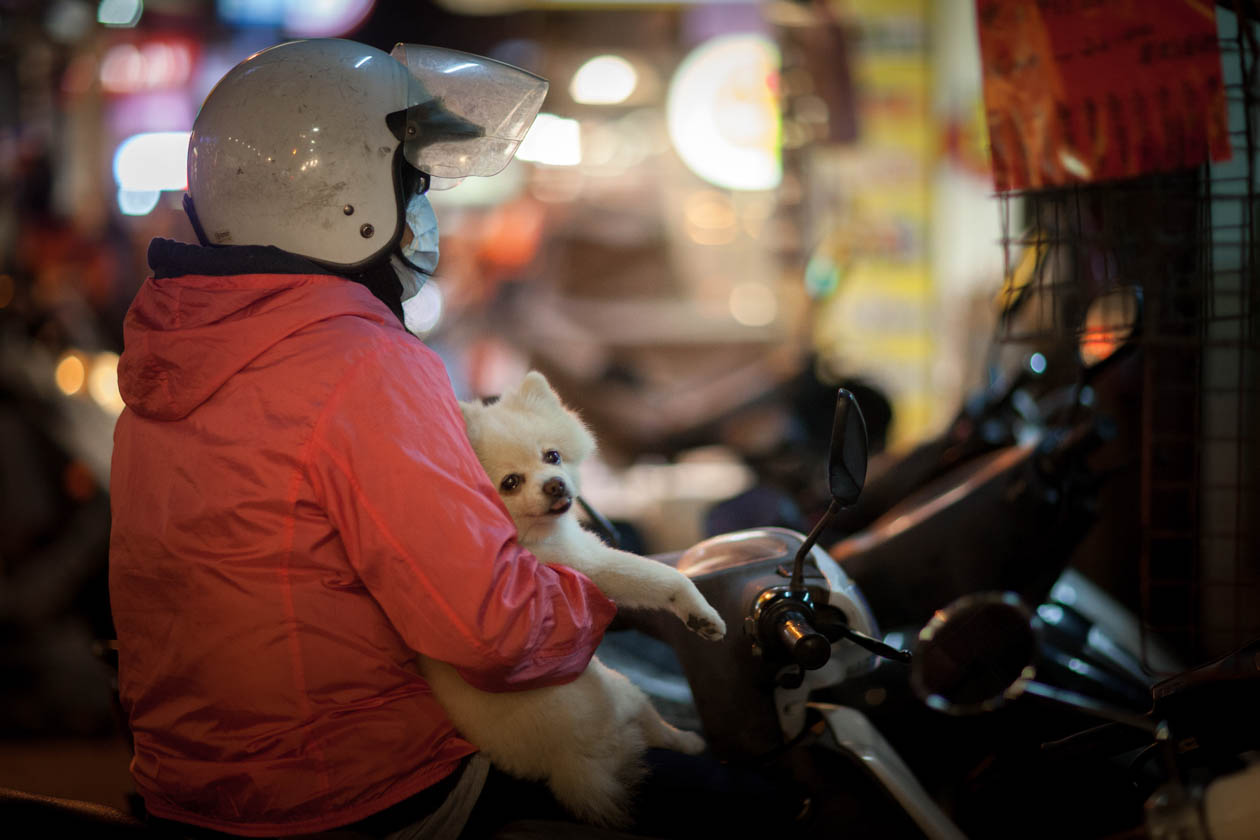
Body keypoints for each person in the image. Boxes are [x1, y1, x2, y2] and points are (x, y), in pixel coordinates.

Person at [108, 39, 619, 838]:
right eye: (413, 186)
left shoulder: (168, 356)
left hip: (192, 789)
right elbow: (490, 630)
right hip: (348, 792)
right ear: (344, 194)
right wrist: (609, 594)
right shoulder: (363, 360)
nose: (423, 213)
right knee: (715, 795)